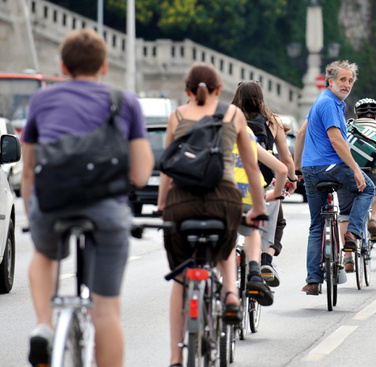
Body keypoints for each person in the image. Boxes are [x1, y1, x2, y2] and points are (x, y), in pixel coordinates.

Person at [22, 29, 154, 367]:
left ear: (63, 68)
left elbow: (29, 170)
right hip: (107, 209)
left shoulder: (41, 100)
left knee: (44, 253)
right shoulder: (124, 102)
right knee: (106, 311)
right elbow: (140, 174)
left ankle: (43, 325)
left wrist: (35, 216)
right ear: (105, 66)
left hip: (52, 205)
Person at [157, 62, 266, 367]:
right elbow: (253, 167)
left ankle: (176, 357)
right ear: (220, 90)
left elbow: (167, 168)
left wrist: (163, 205)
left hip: (182, 202)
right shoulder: (234, 115)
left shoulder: (176, 116)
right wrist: (257, 208)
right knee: (227, 242)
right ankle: (231, 294)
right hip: (224, 199)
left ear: (187, 89)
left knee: (181, 277)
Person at [294, 60, 375, 295]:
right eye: (342, 79)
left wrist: (299, 168)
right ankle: (353, 232)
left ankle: (313, 280)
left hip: (311, 170)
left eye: (350, 81)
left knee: (316, 225)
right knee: (367, 188)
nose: (347, 84)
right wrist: (357, 170)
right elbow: (337, 141)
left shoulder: (322, 102)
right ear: (330, 81)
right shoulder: (330, 104)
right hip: (333, 167)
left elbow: (301, 134)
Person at [231, 80, 298, 287]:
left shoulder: (230, 119)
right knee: (277, 220)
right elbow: (286, 160)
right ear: (261, 98)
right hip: (264, 180)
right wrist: (293, 179)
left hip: (232, 181)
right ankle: (267, 259)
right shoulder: (272, 121)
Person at [339, 98, 376, 272]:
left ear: (356, 114)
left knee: (345, 214)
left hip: (348, 173)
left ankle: (348, 257)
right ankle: (374, 219)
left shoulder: (348, 127)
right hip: (372, 172)